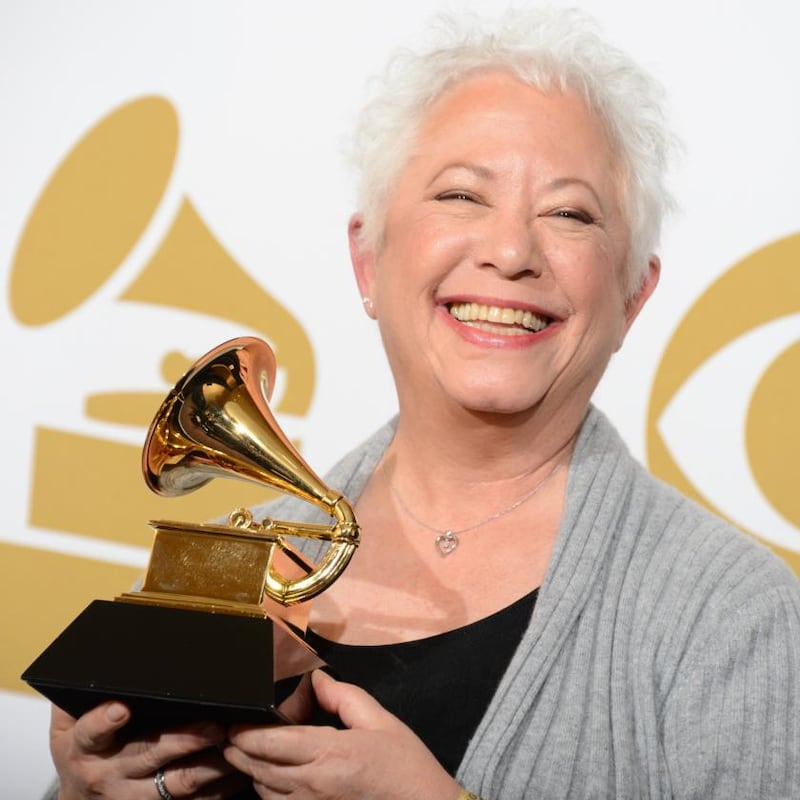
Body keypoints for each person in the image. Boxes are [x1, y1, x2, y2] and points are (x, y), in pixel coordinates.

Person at [46, 7, 800, 800]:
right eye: (461, 195)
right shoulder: (243, 564)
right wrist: (87, 792)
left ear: (632, 298)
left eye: (570, 212)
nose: (511, 252)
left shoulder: (737, 616)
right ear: (367, 262)